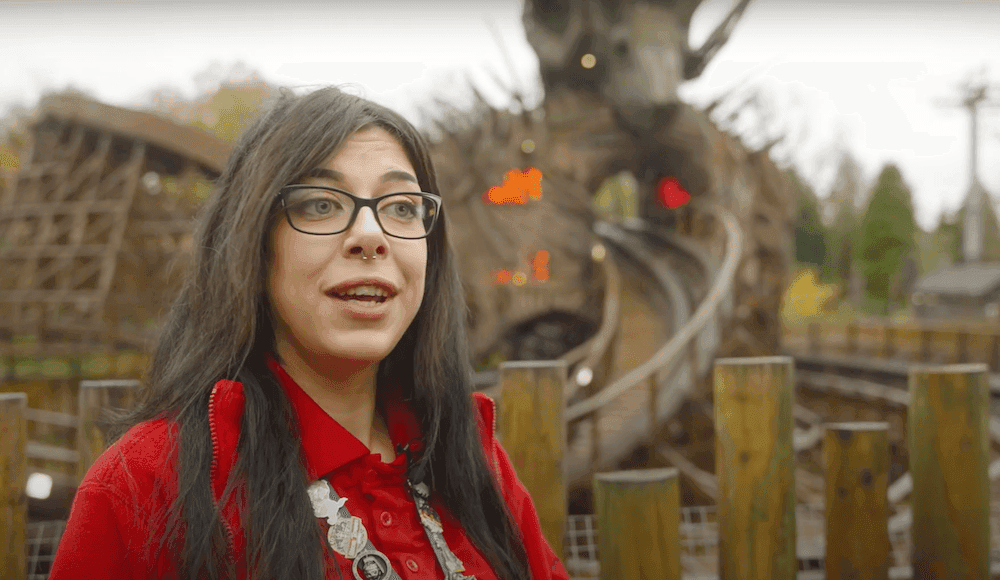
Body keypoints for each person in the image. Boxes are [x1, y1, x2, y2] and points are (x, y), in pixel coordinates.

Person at [49, 86, 570, 580]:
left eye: (402, 208)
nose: (371, 236)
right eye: (321, 204)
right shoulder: (146, 485)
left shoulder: (473, 460)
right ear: (253, 244)